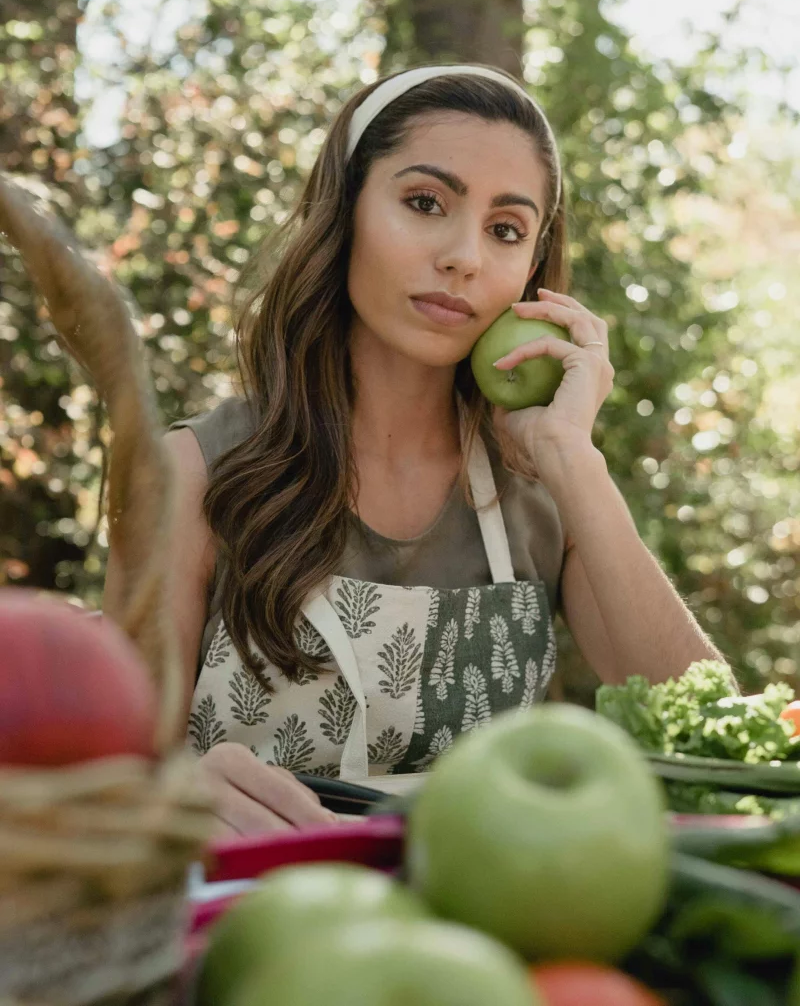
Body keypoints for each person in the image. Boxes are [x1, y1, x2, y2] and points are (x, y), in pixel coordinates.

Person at [104, 62, 727, 836]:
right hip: (252, 930)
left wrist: (575, 460)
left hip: (490, 928)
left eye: (506, 229)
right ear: (348, 213)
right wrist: (174, 791)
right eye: (425, 202)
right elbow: (107, 786)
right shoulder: (194, 472)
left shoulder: (544, 493)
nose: (464, 256)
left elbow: (707, 737)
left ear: (532, 270)